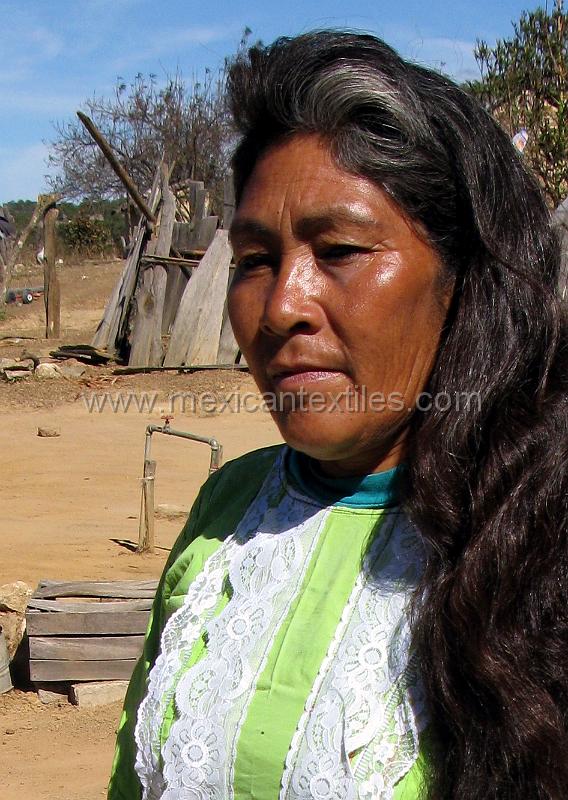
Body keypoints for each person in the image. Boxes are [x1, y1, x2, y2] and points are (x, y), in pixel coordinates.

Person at [108, 31, 568, 800]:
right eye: (255, 261)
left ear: (465, 280)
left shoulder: (542, 530)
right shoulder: (230, 510)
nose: (281, 306)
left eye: (342, 249)